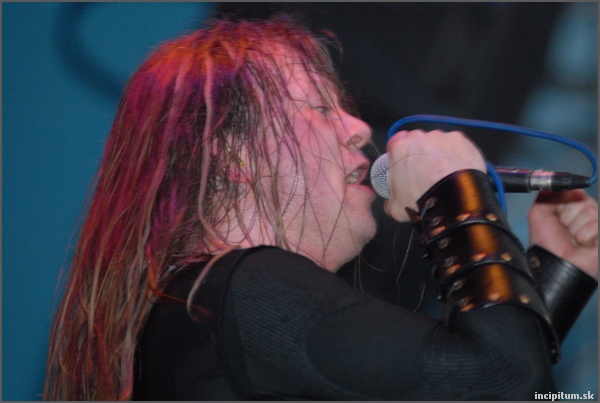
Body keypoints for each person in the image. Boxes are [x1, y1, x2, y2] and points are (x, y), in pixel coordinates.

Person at [44, 16, 598, 400]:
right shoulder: (240, 288)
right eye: (319, 108)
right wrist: (456, 195)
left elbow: (478, 389)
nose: (358, 128)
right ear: (233, 155)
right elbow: (500, 382)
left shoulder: (221, 312)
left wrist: (557, 278)